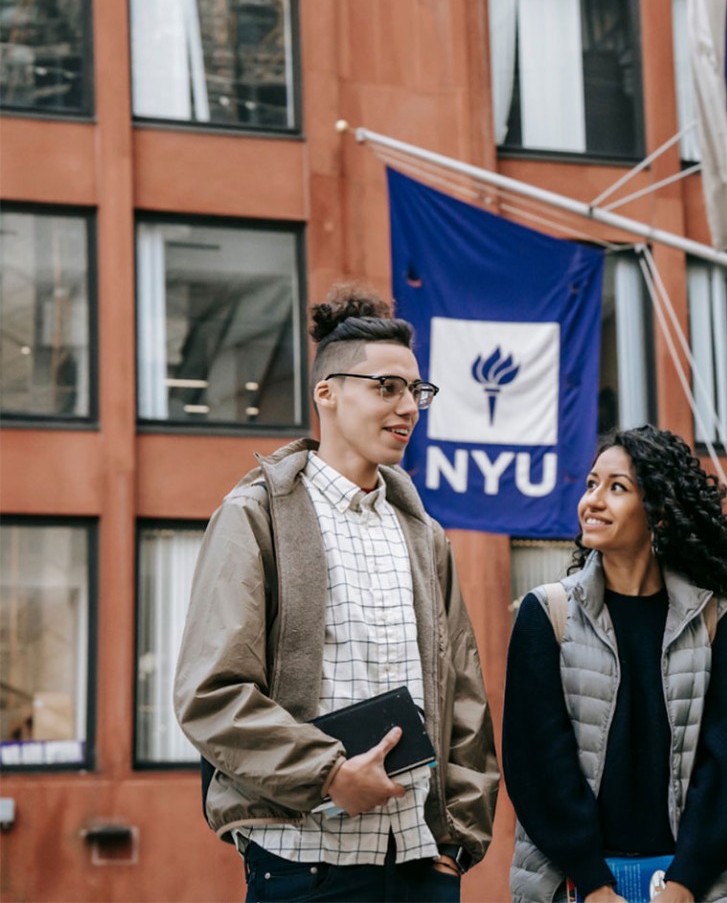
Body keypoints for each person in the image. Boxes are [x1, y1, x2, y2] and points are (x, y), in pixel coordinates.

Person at [174, 287, 499, 902]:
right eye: (387, 388)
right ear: (327, 392)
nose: (408, 406)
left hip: (420, 865)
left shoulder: (424, 535)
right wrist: (328, 776)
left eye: (415, 391)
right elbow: (211, 693)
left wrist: (456, 846)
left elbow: (464, 699)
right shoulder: (256, 517)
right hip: (304, 865)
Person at [504, 426, 727, 903]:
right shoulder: (547, 614)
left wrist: (684, 884)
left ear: (659, 512)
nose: (593, 501)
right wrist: (595, 883)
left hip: (694, 889)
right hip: (574, 886)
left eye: (616, 487)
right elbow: (537, 764)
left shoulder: (712, 619)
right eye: (590, 485)